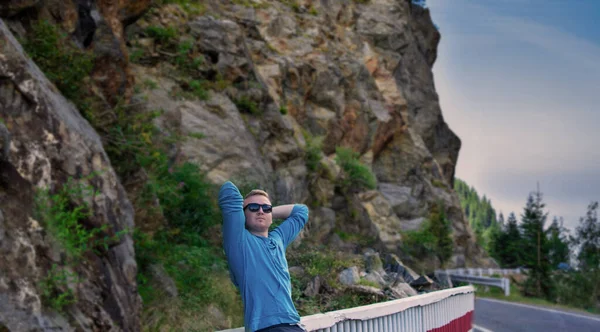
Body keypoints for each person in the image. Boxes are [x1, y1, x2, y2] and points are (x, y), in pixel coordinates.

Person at [219, 181, 309, 332]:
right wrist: (246, 212)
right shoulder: (239, 242)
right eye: (253, 208)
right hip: (265, 328)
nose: (261, 211)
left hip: (292, 325)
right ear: (242, 213)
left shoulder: (278, 239)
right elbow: (229, 191)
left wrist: (267, 212)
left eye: (266, 208)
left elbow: (301, 211)